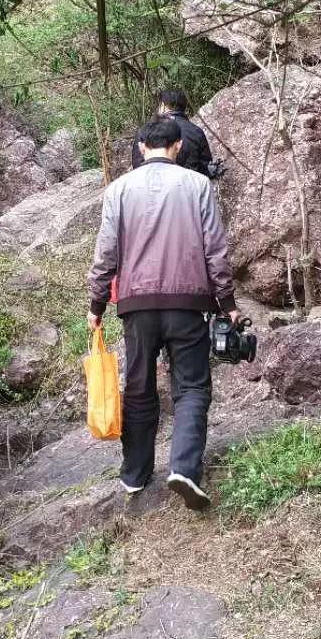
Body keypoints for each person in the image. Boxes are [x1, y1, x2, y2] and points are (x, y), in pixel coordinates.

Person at [87, 118, 241, 511]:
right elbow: (216, 251)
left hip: (136, 306)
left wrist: (97, 304)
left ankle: (135, 475)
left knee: (139, 389)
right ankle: (184, 468)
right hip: (187, 304)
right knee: (190, 387)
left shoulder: (117, 190)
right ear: (176, 147)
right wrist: (227, 303)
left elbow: (105, 253)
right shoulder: (198, 185)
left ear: (142, 148)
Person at [130, 88, 215, 177]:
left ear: (163, 105)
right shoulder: (196, 132)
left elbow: (138, 166)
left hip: (153, 186)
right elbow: (205, 166)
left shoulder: (145, 131)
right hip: (188, 186)